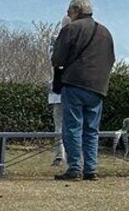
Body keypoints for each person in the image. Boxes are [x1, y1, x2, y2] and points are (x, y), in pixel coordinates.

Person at [51, 0, 115, 182]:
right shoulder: (105, 32)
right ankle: (91, 169)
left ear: (76, 11)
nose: (68, 15)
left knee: (72, 127)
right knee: (91, 129)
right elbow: (111, 59)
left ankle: (75, 168)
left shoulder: (71, 29)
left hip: (75, 84)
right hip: (98, 87)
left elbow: (58, 59)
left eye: (69, 12)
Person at [48, 15, 71, 166]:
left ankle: (60, 155)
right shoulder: (78, 42)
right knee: (72, 124)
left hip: (58, 90)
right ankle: (66, 155)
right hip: (69, 89)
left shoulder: (54, 42)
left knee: (60, 125)